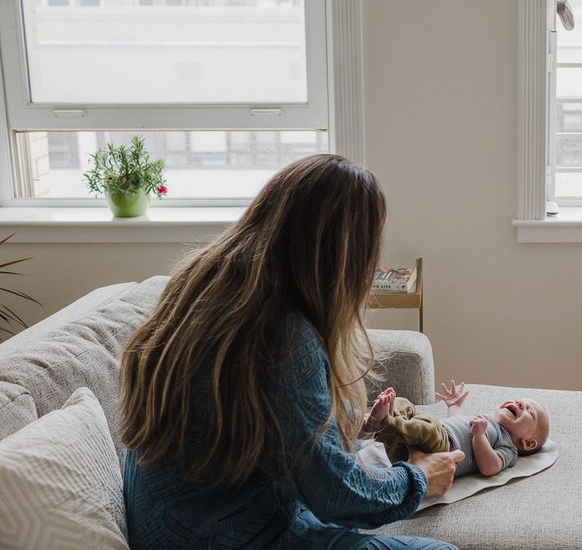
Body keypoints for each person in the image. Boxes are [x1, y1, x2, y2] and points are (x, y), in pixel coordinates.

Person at [118, 154, 464, 550]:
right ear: (342, 255)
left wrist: (356, 428)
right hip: (224, 537)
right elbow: (336, 495)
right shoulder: (285, 335)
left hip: (171, 526)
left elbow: (278, 428)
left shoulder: (201, 282)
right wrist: (418, 477)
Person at [362, 381, 549, 478]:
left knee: (428, 428)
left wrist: (479, 436)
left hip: (440, 450)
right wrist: (454, 406)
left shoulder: (508, 448)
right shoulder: (488, 421)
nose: (519, 403)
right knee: (405, 405)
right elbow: (457, 422)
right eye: (519, 400)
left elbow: (490, 467)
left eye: (529, 412)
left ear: (528, 442)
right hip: (411, 446)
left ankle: (383, 425)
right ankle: (377, 424)